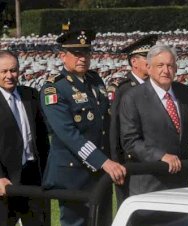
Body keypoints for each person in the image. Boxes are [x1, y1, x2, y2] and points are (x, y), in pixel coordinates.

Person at [40, 30, 126, 226]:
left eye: (86, 53)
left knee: (101, 221)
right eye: (77, 54)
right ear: (63, 56)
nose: (83, 58)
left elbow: (104, 124)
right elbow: (68, 135)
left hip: (101, 172)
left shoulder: (95, 81)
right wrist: (103, 161)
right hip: (74, 174)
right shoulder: (54, 88)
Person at [119, 44, 188, 196]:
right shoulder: (132, 97)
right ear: (149, 68)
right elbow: (131, 142)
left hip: (180, 182)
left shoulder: (185, 93)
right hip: (149, 183)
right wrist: (160, 156)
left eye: (170, 65)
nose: (165, 70)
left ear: (176, 68)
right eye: (160, 65)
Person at [0, 50, 50, 225]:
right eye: (4, 71)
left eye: (13, 70)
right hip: (5, 181)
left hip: (34, 178)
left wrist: (47, 173)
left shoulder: (31, 95)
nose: (9, 76)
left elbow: (43, 140)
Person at [110, 34, 158, 208]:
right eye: (147, 57)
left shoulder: (155, 86)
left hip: (154, 159)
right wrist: (117, 163)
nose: (151, 61)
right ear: (134, 62)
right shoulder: (123, 89)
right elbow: (115, 129)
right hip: (132, 162)